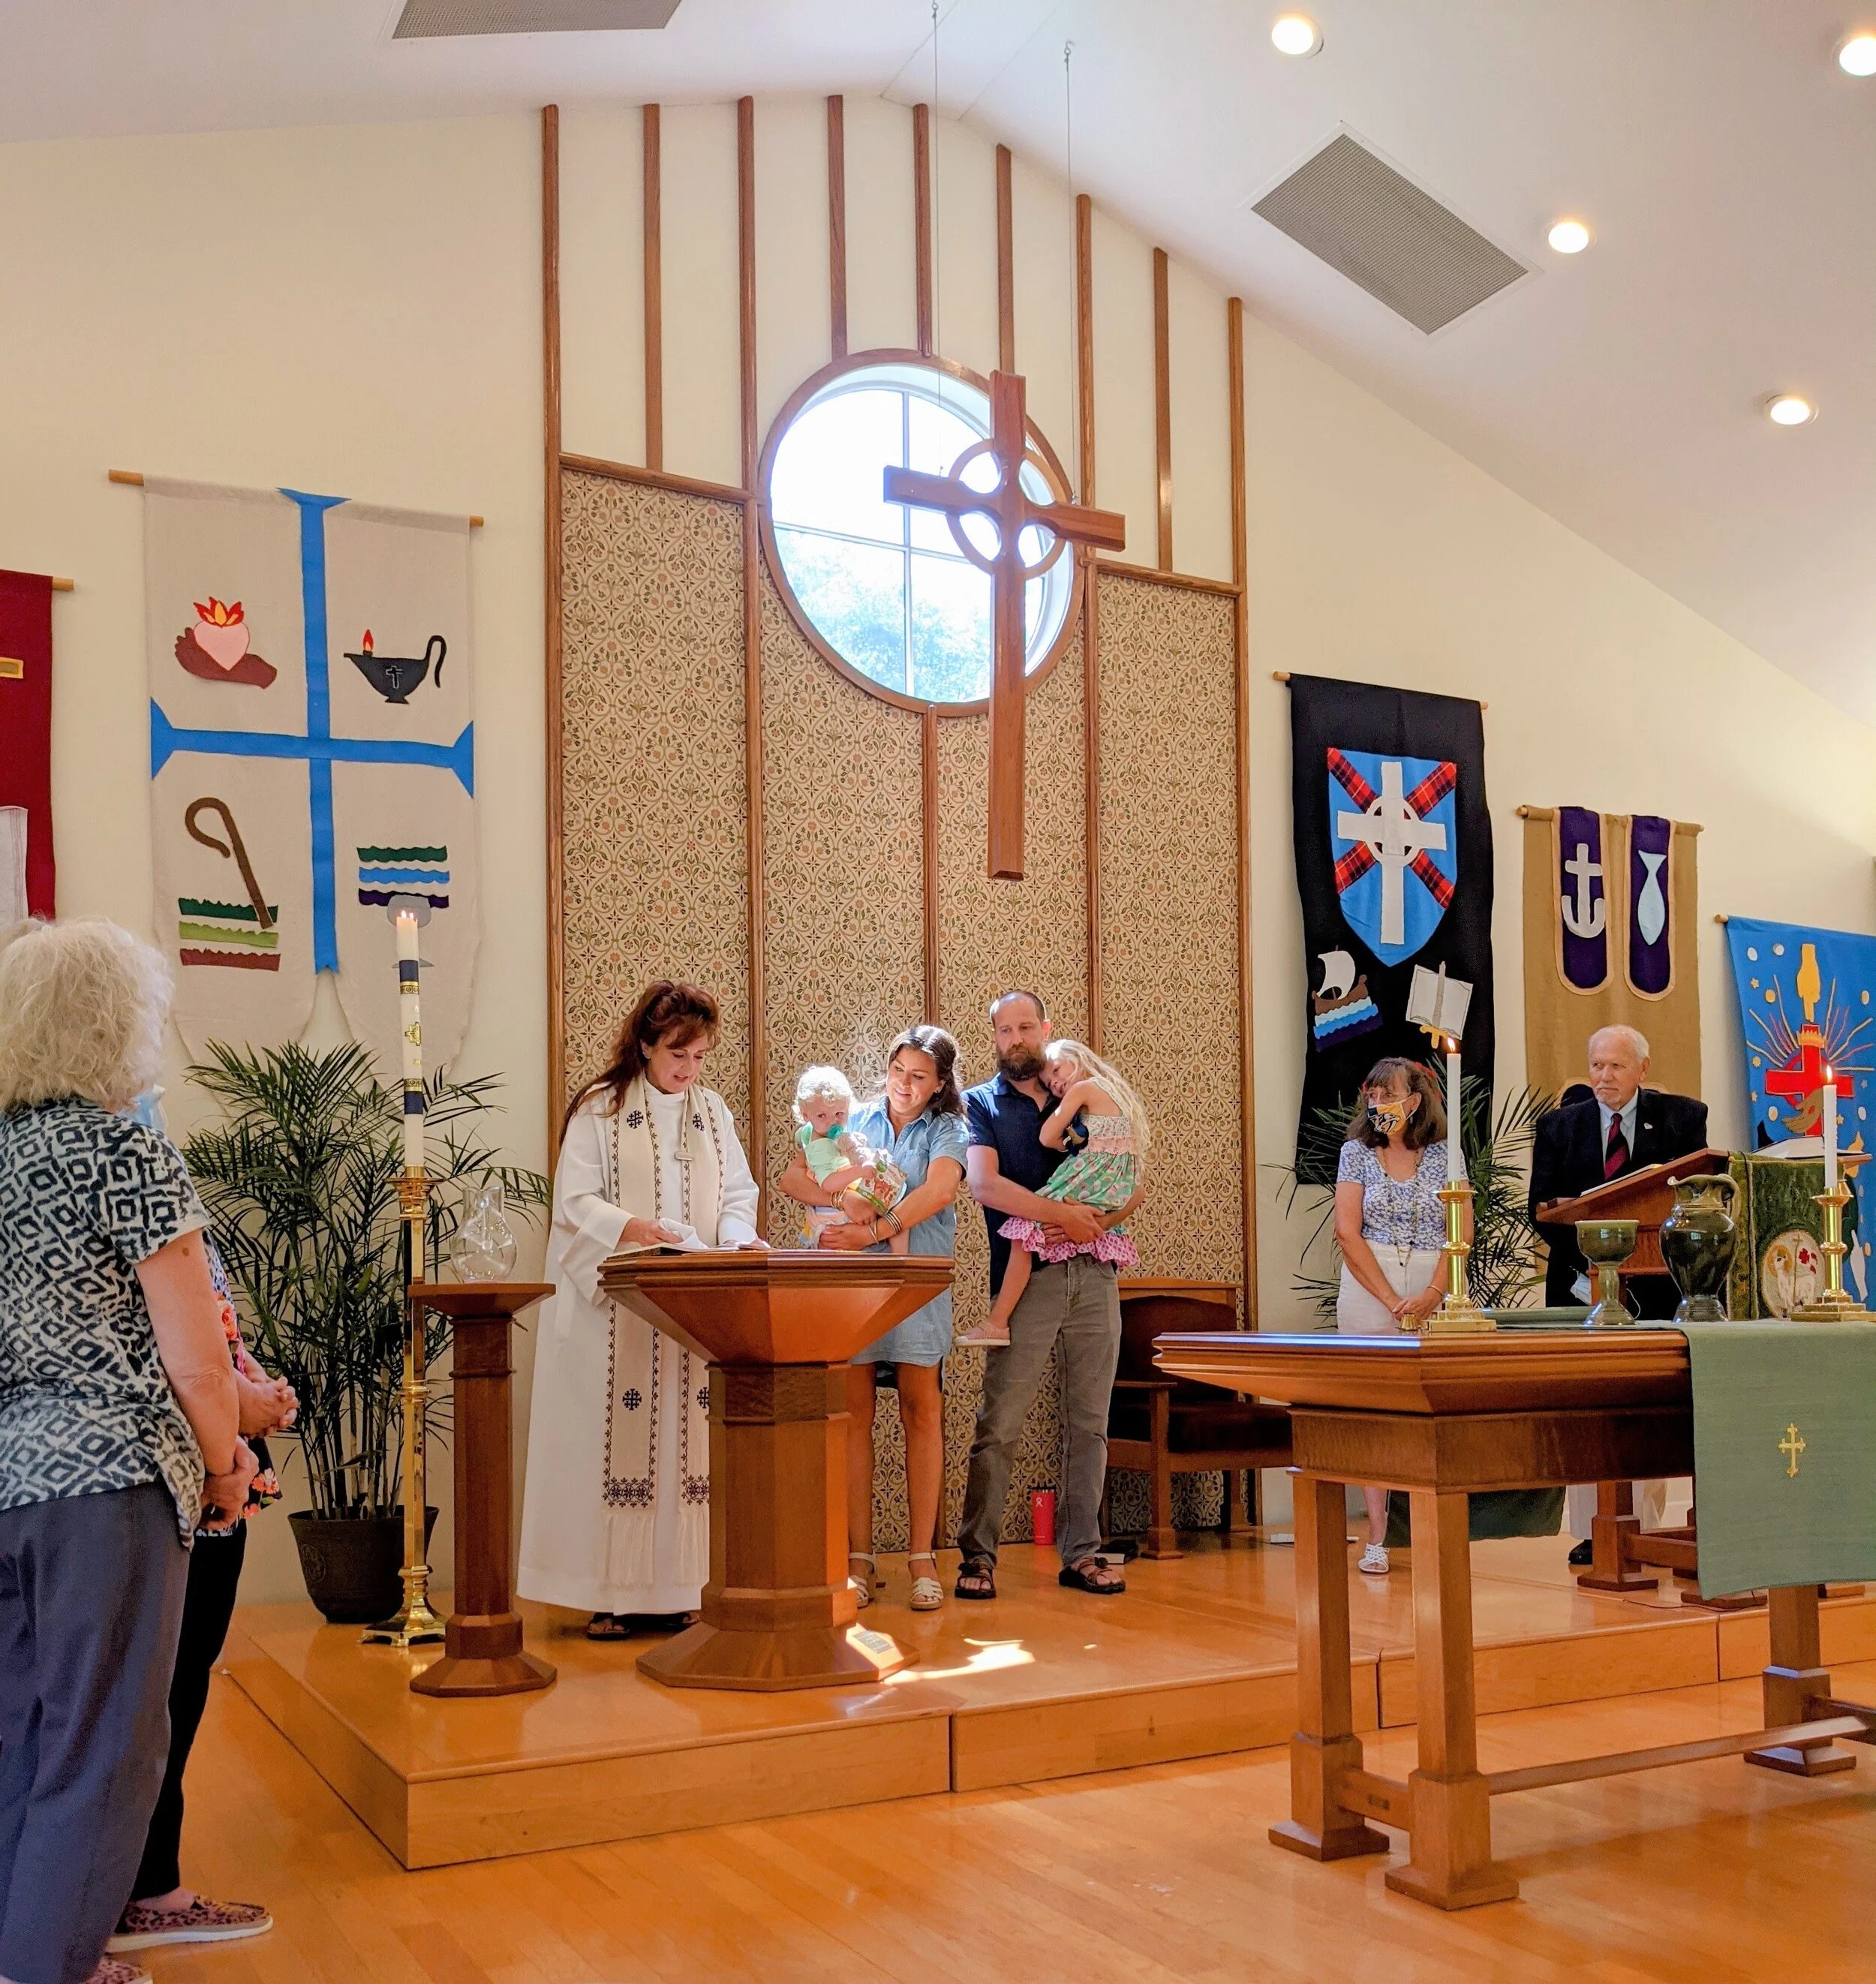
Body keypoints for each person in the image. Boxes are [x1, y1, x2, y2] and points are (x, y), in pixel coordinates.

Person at [0, 918, 258, 1984]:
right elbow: (197, 1355)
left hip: (8, 1477)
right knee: (108, 1748)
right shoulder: (122, 1146)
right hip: (108, 1482)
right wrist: (227, 1467)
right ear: (121, 1026)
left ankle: (27, 1949)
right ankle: (47, 1967)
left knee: (22, 1734)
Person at [518, 981, 765, 1643]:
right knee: (612, 1451)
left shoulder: (712, 1112)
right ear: (647, 1044)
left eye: (701, 1057)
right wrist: (637, 1229)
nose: (689, 1071)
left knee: (686, 1451)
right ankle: (610, 1594)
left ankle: (684, 1589)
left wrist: (737, 1236)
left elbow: (739, 1191)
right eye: (679, 1055)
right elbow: (575, 1201)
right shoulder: (602, 1109)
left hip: (689, 1310)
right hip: (616, 1311)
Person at [108, 1138, 295, 1955]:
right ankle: (138, 1893)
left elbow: (207, 1318)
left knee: (174, 1691)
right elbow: (165, 1350)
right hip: (177, 1470)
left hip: (196, 1455)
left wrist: (251, 1385)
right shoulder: (121, 1166)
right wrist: (232, 1433)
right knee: (156, 1696)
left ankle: (140, 1883)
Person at [954, 992, 1141, 1602]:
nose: (1015, 1038)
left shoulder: (1083, 1091)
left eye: (1025, 1026)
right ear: (995, 1040)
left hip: (1095, 1272)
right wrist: (1063, 1214)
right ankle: (978, 1557)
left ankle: (1083, 1553)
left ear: (1047, 1030)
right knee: (1000, 1423)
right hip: (1024, 1278)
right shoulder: (980, 1104)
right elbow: (985, 1185)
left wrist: (1101, 1223)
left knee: (1089, 1423)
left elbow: (1131, 1175)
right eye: (1004, 1030)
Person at [779, 1027, 967, 1613]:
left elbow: (937, 1192)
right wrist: (840, 1204)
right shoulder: (849, 1118)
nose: (904, 1085)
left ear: (939, 1084)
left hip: (916, 1284)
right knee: (853, 1415)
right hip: (853, 1289)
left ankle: (920, 1559)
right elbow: (792, 1176)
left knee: (921, 1411)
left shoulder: (949, 1129)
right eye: (897, 1071)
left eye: (918, 1077)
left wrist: (874, 1231)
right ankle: (857, 1560)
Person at [1529, 1024, 1709, 1559]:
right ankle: (1594, 1530)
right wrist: (1596, 1261)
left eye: (1616, 1067)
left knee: (1644, 1412)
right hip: (1580, 1286)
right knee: (1591, 1411)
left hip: (1653, 1293)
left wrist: (1636, 1260)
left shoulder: (1681, 1119)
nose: (1604, 1077)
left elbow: (1692, 1200)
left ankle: (1645, 1529)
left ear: (1642, 1071)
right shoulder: (1560, 1127)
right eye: (1597, 1066)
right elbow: (1540, 1209)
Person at [1333, 1056, 1469, 1577]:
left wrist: (1435, 1292)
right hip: (1372, 1283)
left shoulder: (1443, 1155)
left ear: (1414, 1102)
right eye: (1372, 1096)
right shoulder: (1356, 1154)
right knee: (1373, 1409)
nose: (1378, 1105)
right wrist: (1391, 1300)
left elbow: (1461, 1230)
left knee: (1427, 1406)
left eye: (1388, 1096)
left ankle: (1432, 1525)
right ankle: (1377, 1532)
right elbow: (1348, 1231)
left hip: (1433, 1278)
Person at [958, 1038, 1147, 1348]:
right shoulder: (1119, 1093)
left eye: (1057, 1071)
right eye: (1051, 1081)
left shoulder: (1081, 1091)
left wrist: (1065, 1142)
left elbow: (1047, 1137)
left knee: (1023, 1232)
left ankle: (997, 1322)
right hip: (1113, 1186)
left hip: (1088, 1186)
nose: (1056, 1083)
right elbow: (1136, 1186)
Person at [789, 1066, 909, 1253]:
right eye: (822, 1115)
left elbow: (802, 1135)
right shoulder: (821, 1148)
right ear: (806, 1115)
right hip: (835, 1215)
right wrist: (859, 1171)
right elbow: (828, 1183)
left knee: (897, 1211)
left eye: (839, 1114)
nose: (832, 1122)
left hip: (839, 1207)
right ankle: (900, 1261)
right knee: (899, 1214)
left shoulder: (814, 1132)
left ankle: (899, 1262)